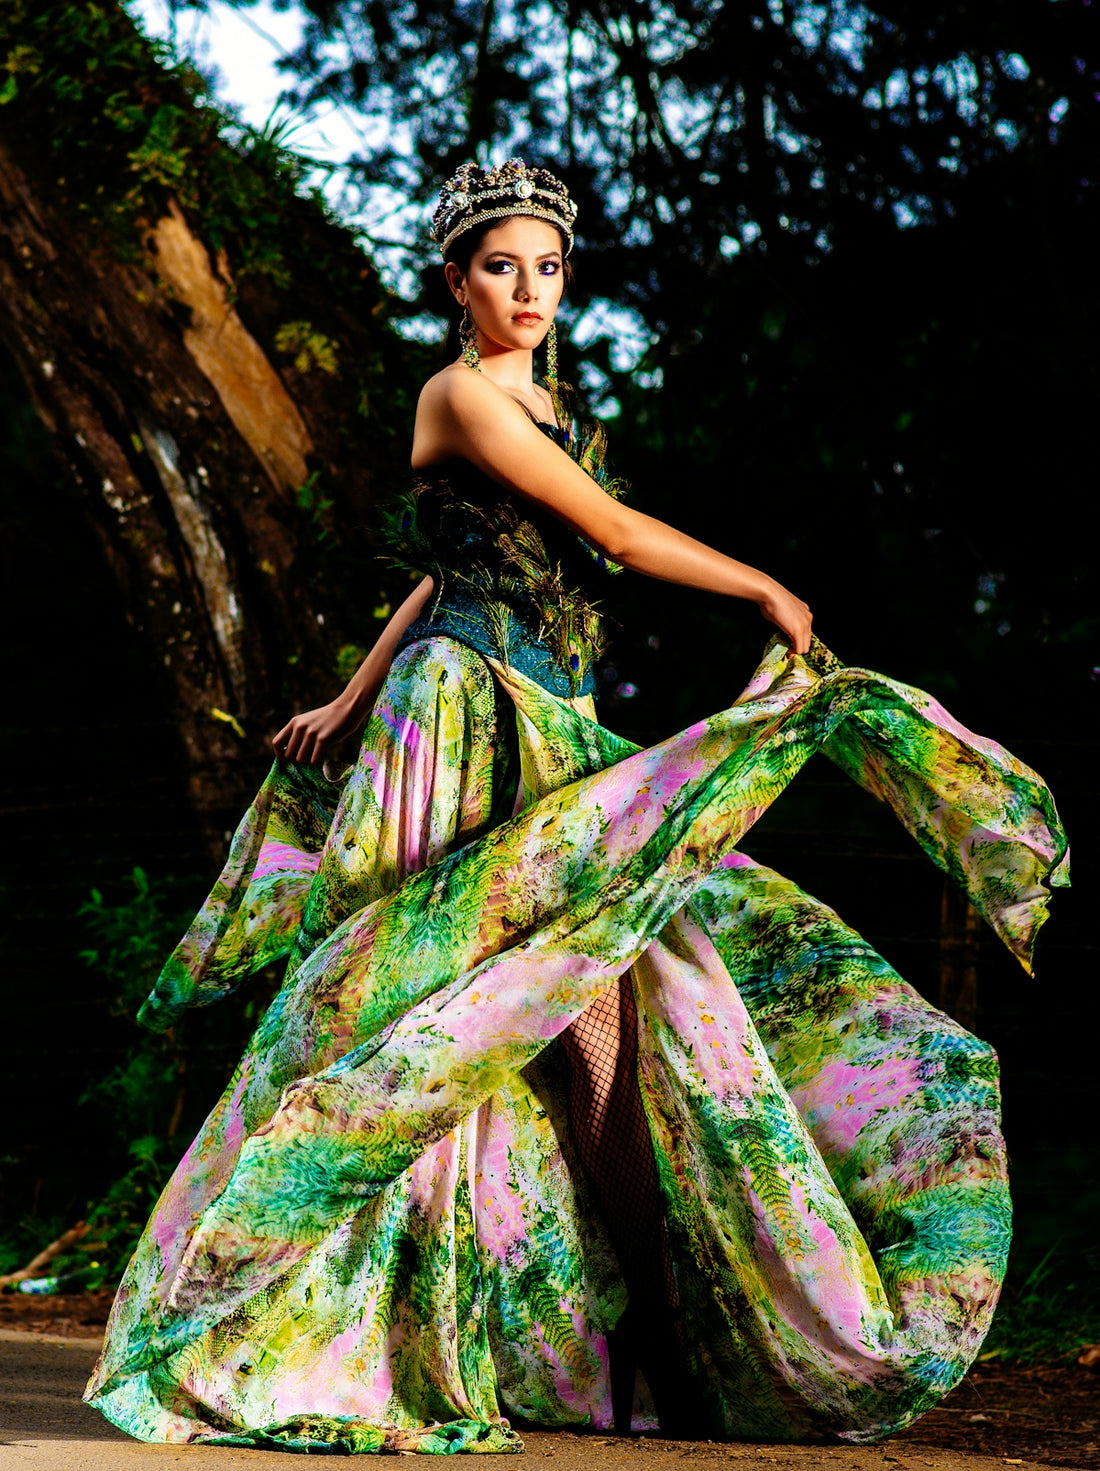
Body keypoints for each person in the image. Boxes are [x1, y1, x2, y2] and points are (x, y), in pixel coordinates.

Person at [85, 160, 1068, 1455]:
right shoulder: (456, 395)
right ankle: (289, 1299)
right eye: (502, 266)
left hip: (550, 732)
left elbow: (446, 565)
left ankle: (654, 1318)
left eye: (548, 266)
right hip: (460, 732)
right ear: (457, 282)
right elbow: (601, 534)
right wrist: (763, 588)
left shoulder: (547, 409)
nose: (529, 289)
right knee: (435, 1009)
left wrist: (345, 683)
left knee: (600, 1008)